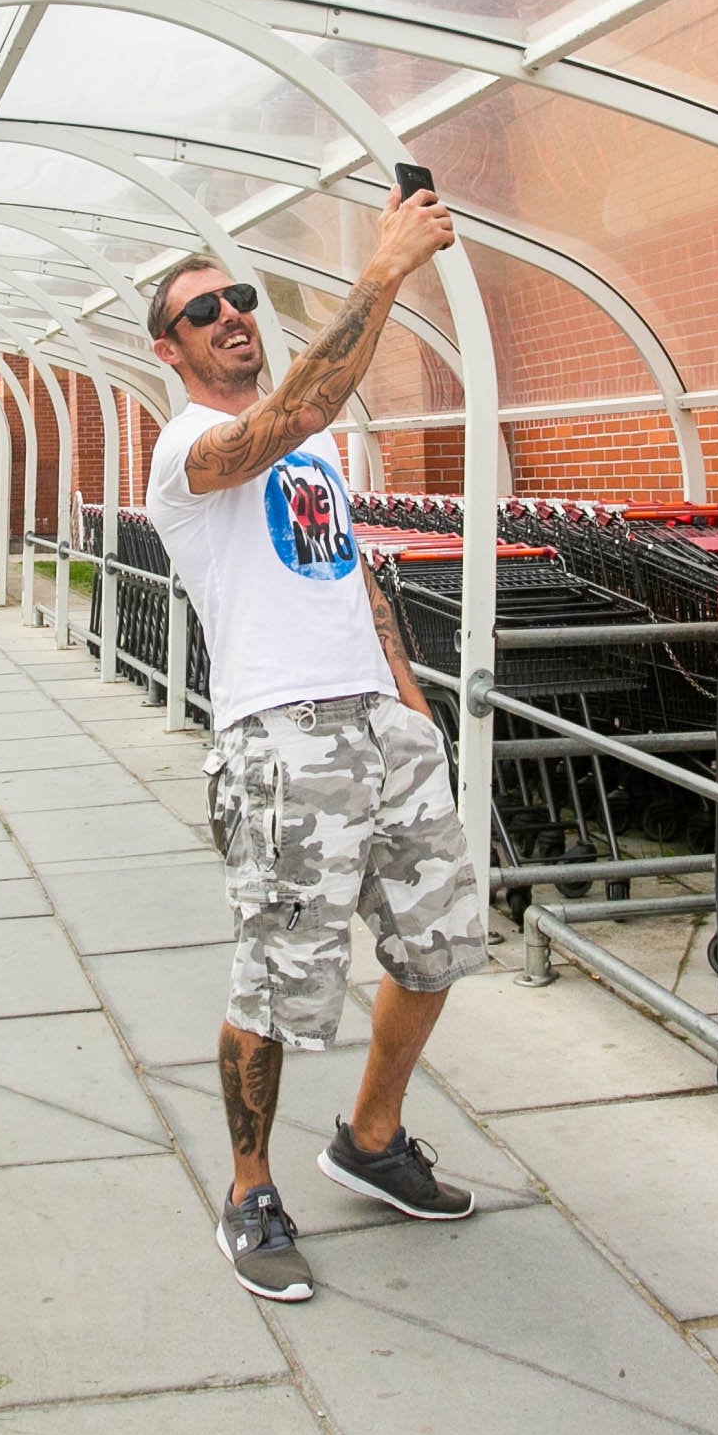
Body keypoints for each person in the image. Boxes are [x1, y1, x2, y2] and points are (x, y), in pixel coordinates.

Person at [144, 185, 476, 1301]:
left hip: (380, 726)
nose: (233, 314)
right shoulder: (188, 448)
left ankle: (369, 1138)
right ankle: (248, 1192)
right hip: (280, 742)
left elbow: (347, 568)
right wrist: (382, 270)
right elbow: (279, 421)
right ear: (171, 348)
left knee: (436, 945)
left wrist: (407, 693)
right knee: (281, 981)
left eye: (240, 298)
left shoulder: (318, 446)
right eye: (205, 311)